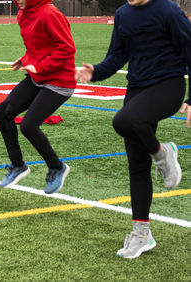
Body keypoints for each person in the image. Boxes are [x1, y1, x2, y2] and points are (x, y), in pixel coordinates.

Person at [75, 0, 190, 259]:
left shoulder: (168, 11)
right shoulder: (123, 14)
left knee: (123, 121)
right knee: (137, 164)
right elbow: (118, 54)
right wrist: (97, 71)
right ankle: (142, 234)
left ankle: (163, 154)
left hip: (168, 86)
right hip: (137, 88)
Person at [0, 0, 75, 194]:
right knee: (2, 113)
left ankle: (57, 167)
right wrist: (26, 59)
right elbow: (37, 46)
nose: (18, 0)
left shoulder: (49, 13)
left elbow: (66, 48)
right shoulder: (23, 14)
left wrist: (39, 66)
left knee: (28, 126)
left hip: (59, 81)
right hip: (37, 76)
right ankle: (18, 165)